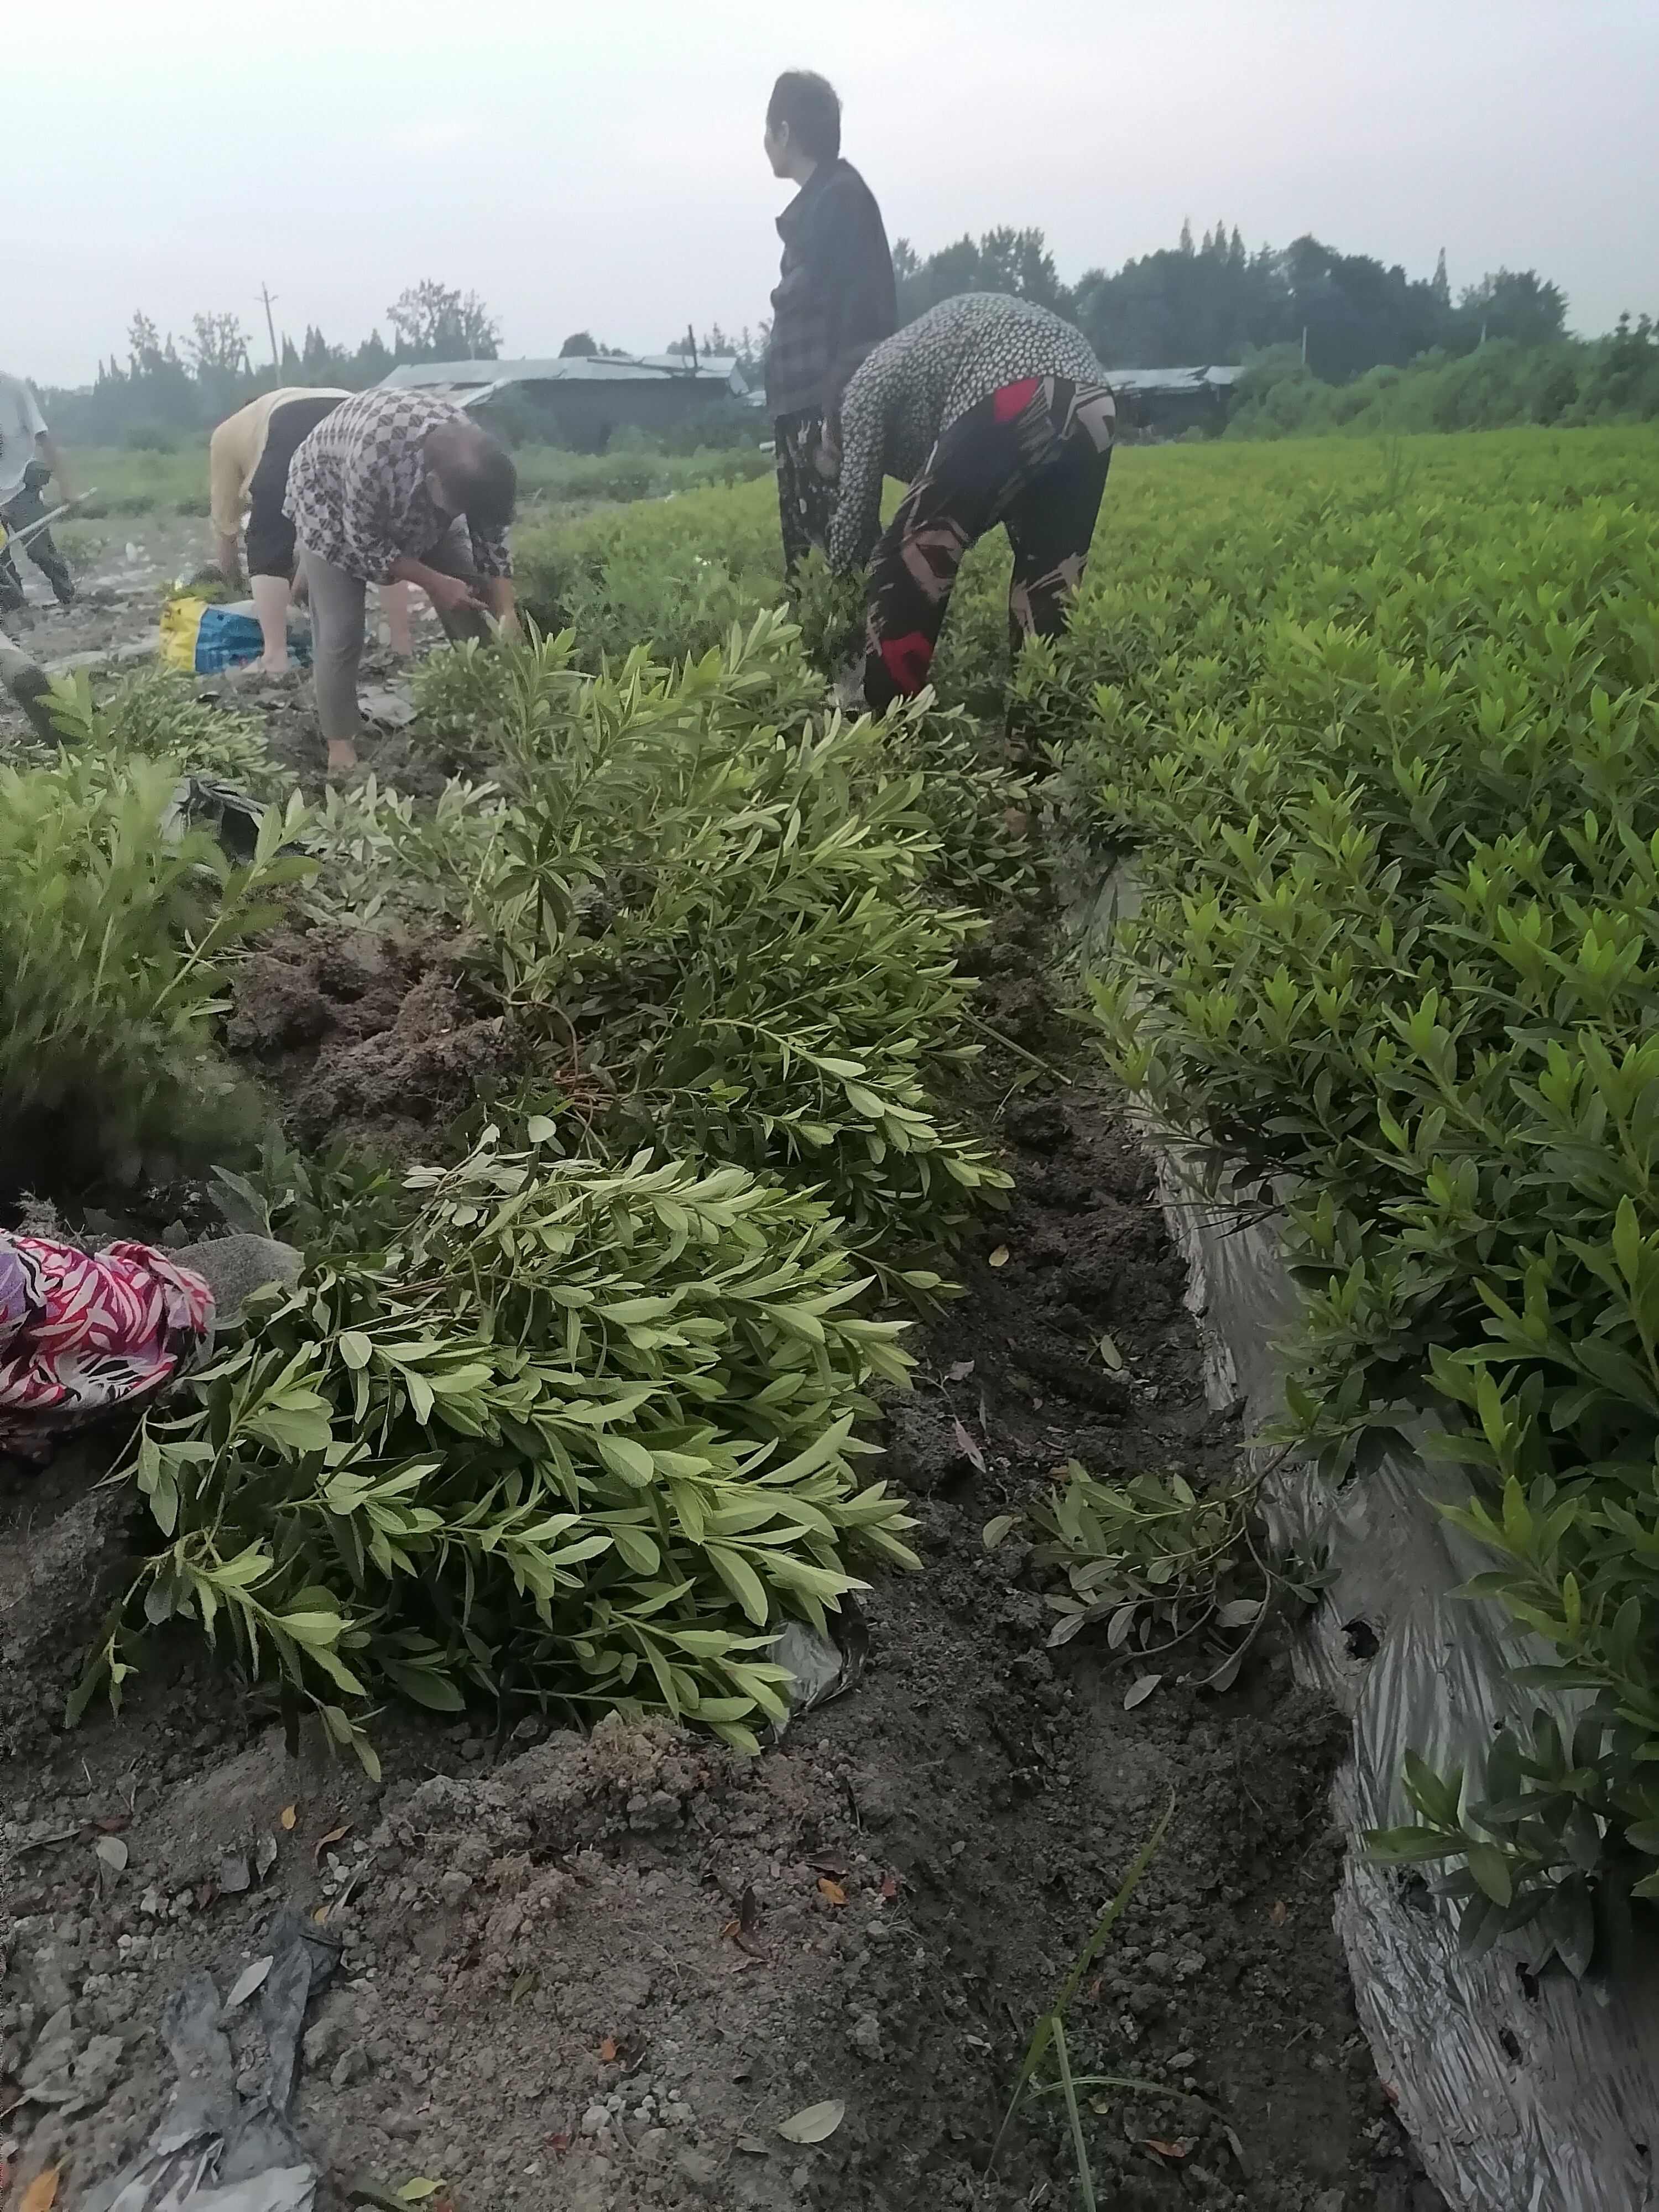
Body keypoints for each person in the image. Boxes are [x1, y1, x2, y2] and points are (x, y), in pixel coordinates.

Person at [829, 293, 1117, 714]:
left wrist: (839, 590)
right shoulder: (916, 364)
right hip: (1095, 398)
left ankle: (881, 726)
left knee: (906, 562)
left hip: (1017, 385)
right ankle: (1034, 754)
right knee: (1047, 584)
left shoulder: (860, 387)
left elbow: (856, 512)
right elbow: (971, 487)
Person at [285, 385, 518, 774]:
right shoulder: (373, 459)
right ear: (433, 485)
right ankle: (340, 747)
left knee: (476, 595)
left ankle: (496, 713)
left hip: (416, 504)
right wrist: (435, 582)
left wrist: (507, 610)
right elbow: (367, 546)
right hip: (330, 500)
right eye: (459, 510)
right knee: (341, 629)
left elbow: (491, 540)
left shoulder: (476, 462)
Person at [763, 68, 895, 577]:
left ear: (786, 133)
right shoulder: (821, 202)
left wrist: (836, 417)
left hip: (824, 412)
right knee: (812, 565)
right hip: (802, 412)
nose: (765, 143)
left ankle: (862, 655)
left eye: (768, 130)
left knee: (844, 557)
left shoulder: (841, 199)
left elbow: (862, 320)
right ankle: (827, 654)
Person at [0, 368, 76, 614]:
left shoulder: (14, 390)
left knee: (40, 552)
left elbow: (44, 438)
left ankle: (69, 602)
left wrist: (66, 487)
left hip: (20, 486)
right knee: (2, 564)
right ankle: (17, 615)